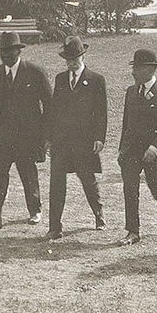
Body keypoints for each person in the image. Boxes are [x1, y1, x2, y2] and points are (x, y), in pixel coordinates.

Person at [0, 31, 52, 232]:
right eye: (3, 52)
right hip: (2, 138)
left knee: (28, 174)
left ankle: (35, 210)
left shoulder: (35, 72)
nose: (7, 55)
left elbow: (49, 105)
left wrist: (45, 135)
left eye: (11, 51)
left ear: (19, 51)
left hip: (27, 138)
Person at [46, 36, 107, 240]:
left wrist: (99, 138)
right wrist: (49, 138)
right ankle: (55, 226)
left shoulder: (96, 80)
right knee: (56, 183)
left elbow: (101, 112)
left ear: (83, 56)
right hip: (61, 141)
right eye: (68, 59)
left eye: (75, 59)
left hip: (84, 141)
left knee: (88, 180)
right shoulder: (60, 79)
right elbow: (54, 110)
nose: (71, 63)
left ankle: (98, 214)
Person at [117, 48, 157, 244]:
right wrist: (122, 150)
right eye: (133, 68)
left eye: (137, 68)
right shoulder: (131, 92)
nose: (133, 72)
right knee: (130, 189)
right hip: (132, 151)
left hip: (155, 152)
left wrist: (155, 148)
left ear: (150, 70)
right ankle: (133, 231)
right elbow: (126, 124)